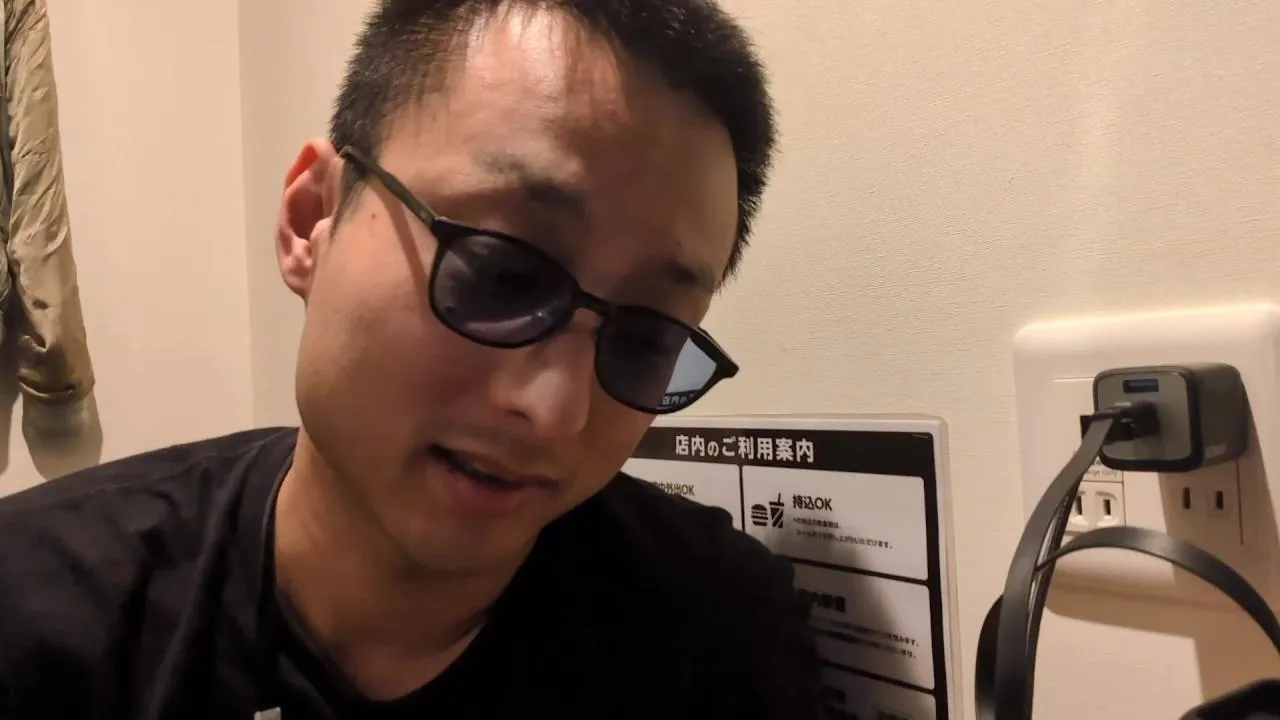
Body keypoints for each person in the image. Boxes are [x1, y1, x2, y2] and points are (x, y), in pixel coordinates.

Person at [0, 0, 823, 717]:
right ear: (311, 219)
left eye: (647, 338)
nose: (555, 409)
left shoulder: (716, 635)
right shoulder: (34, 608)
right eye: (500, 272)